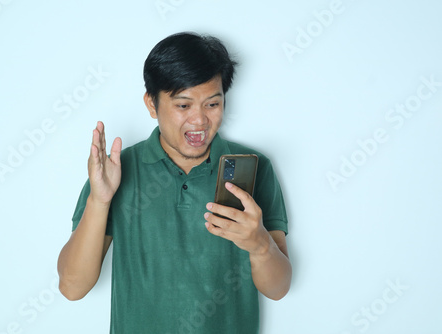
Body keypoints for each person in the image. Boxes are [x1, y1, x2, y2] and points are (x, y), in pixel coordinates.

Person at [57, 32, 292, 334]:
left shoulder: (255, 168)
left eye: (212, 104)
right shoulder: (115, 171)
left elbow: (279, 288)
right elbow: (72, 287)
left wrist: (260, 245)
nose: (199, 120)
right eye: (183, 106)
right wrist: (99, 201)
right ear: (152, 105)